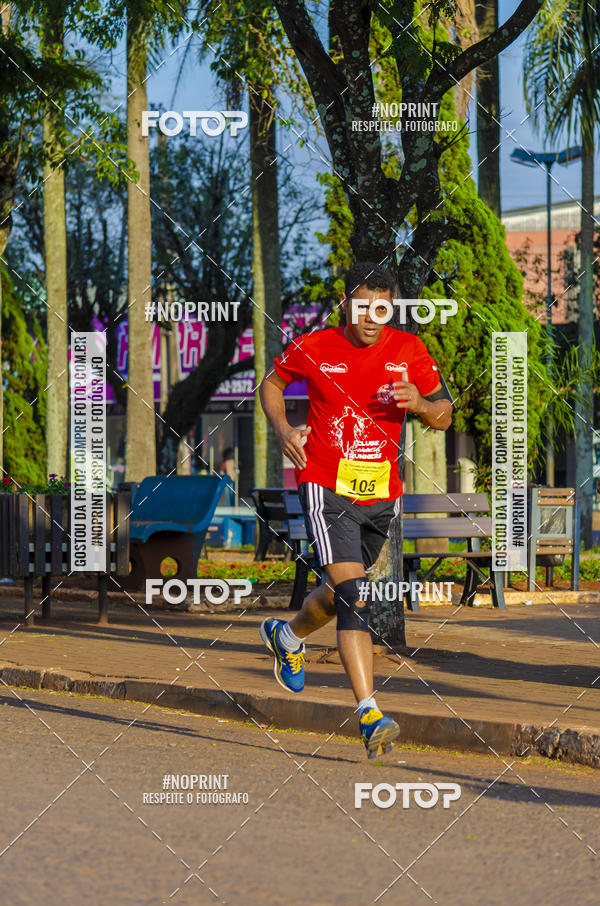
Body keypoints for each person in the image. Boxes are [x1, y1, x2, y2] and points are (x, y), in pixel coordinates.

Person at [258, 262, 453, 759]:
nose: (372, 317)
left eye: (381, 308)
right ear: (347, 303)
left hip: (380, 495)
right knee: (355, 595)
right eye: (363, 306)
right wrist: (283, 431)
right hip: (325, 485)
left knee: (336, 596)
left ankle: (286, 635)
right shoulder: (316, 345)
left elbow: (444, 413)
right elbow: (271, 385)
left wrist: (421, 406)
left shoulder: (408, 350)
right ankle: (369, 713)